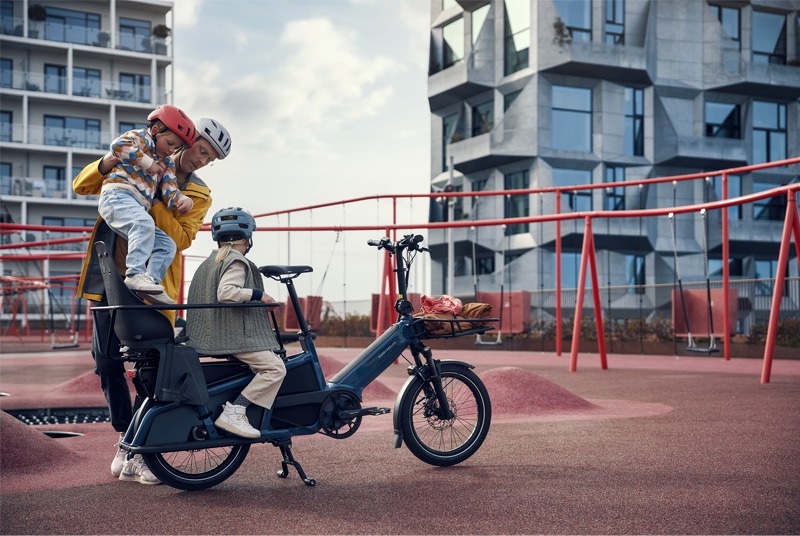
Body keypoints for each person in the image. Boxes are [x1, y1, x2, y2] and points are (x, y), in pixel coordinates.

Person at [74, 117, 233, 484]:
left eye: (211, 159)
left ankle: (146, 449)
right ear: (186, 140)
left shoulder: (199, 192)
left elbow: (181, 237)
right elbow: (82, 185)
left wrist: (159, 190)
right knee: (106, 362)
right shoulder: (140, 152)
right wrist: (114, 165)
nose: (203, 161)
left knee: (151, 369)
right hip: (109, 281)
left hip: (151, 286)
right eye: (203, 151)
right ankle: (125, 440)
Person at [186, 207, 286, 439]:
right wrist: (259, 295)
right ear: (248, 238)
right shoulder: (236, 261)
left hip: (208, 334)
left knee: (270, 363)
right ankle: (236, 410)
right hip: (230, 337)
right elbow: (227, 293)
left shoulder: (209, 262)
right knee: (275, 368)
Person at [99, 104, 197, 304]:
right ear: (155, 131)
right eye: (170, 143)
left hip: (136, 206)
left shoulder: (167, 163)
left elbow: (170, 190)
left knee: (166, 245)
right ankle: (134, 274)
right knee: (143, 223)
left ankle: (149, 283)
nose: (171, 150)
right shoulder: (141, 138)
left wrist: (183, 201)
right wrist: (147, 163)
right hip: (117, 195)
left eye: (175, 148)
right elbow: (118, 146)